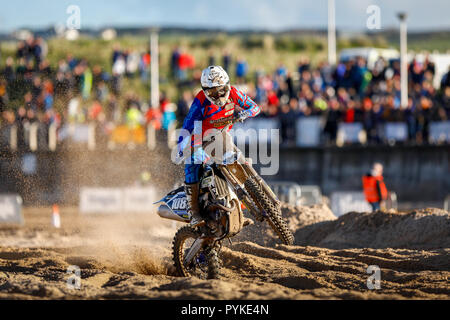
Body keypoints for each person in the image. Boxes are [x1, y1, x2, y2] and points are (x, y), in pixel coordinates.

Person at [177, 66, 261, 227]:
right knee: (192, 162)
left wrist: (245, 113)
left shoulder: (234, 93)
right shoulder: (201, 100)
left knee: (240, 161)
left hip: (222, 136)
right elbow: (187, 125)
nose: (218, 95)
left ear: (227, 85)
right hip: (201, 139)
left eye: (221, 91)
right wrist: (182, 146)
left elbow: (255, 107)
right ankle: (193, 211)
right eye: (212, 93)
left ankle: (241, 210)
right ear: (205, 91)